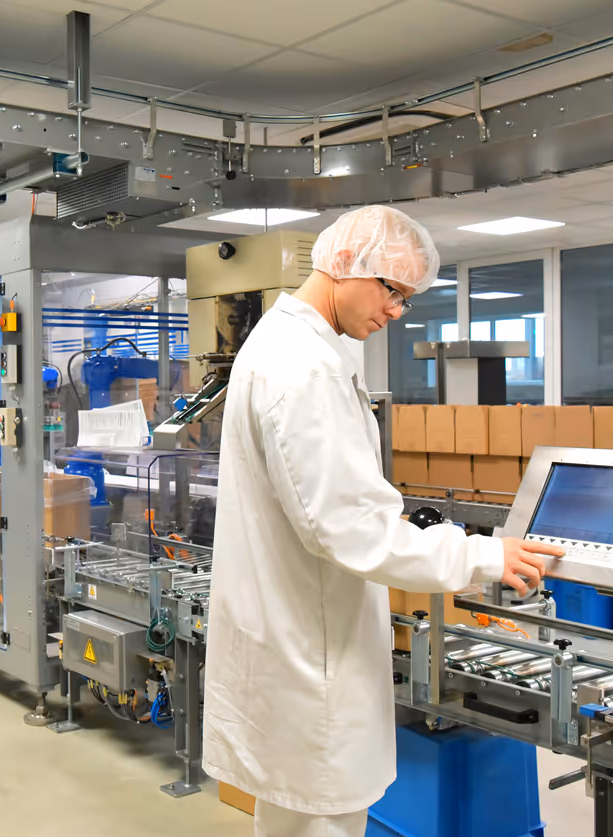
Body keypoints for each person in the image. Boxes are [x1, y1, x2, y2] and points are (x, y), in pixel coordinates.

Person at [201, 205, 564, 837]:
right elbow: (351, 529)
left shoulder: (287, 341)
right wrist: (482, 556)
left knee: (292, 820)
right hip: (309, 654)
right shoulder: (305, 367)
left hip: (291, 638)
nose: (397, 311)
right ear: (343, 265)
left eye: (407, 297)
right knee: (320, 819)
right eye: (391, 290)